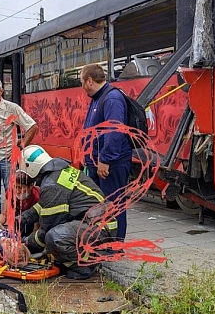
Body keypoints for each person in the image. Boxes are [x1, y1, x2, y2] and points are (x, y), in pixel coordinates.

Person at [19, 145, 117, 280]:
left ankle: (84, 266)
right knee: (55, 238)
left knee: (55, 237)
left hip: (99, 227)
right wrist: (23, 218)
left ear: (31, 167)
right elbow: (44, 206)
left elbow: (47, 228)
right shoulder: (57, 175)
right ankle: (76, 257)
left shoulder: (52, 185)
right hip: (96, 223)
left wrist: (26, 243)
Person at [80, 64, 131, 240]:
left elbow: (114, 130)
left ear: (89, 80)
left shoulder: (111, 98)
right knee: (101, 204)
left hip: (111, 164)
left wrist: (105, 159)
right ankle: (103, 241)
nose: (82, 86)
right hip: (98, 162)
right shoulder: (97, 98)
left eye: (82, 82)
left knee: (114, 204)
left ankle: (114, 245)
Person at [0, 77, 37, 219]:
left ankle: (13, 222)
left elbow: (32, 126)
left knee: (11, 192)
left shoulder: (12, 108)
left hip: (7, 157)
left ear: (1, 92)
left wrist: (21, 146)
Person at [0, 170, 39, 235]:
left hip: (33, 222)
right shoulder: (11, 192)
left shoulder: (37, 196)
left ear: (31, 186)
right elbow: (4, 214)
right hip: (18, 220)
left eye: (21, 188)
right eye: (15, 187)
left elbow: (36, 226)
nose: (17, 191)